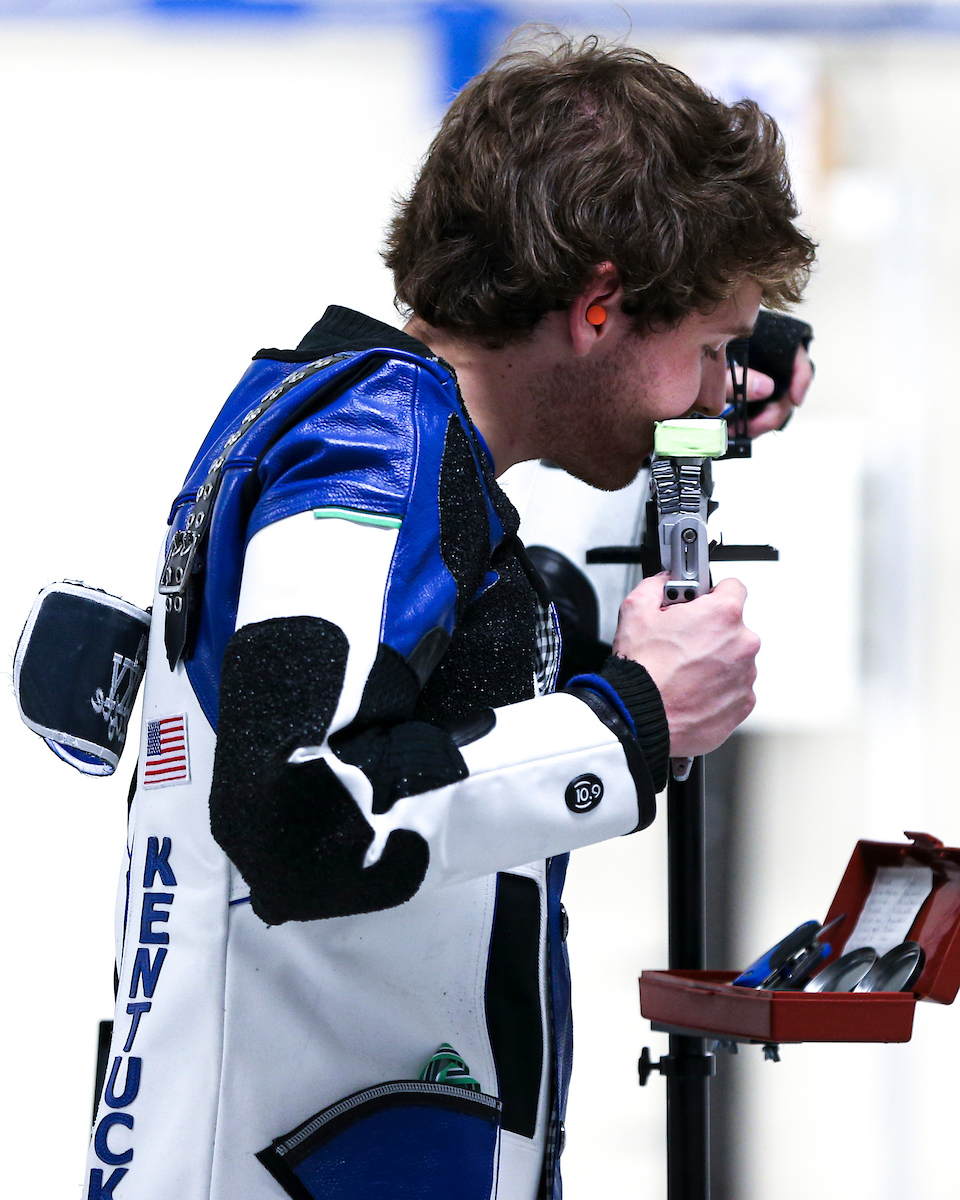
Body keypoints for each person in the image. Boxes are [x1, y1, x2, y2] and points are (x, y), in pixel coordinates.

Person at [84, 36, 815, 1200]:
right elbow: (303, 811)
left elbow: (460, 689)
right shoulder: (373, 454)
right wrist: (633, 718)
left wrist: (711, 351)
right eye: (710, 352)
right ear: (601, 304)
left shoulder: (390, 446)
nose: (719, 391)